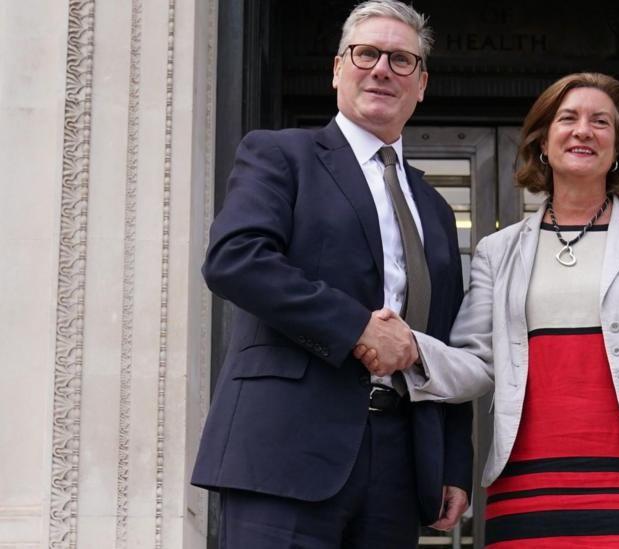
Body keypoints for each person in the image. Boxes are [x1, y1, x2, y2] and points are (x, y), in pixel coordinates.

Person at [357, 72, 619, 547]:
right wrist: (412, 351)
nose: (583, 131)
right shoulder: (497, 250)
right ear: (543, 143)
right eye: (567, 119)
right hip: (528, 482)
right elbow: (476, 361)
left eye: (601, 122)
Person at [190, 1, 472, 547]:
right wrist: (357, 328)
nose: (382, 69)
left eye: (401, 60)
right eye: (366, 53)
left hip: (398, 461)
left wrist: (453, 461)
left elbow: (447, 338)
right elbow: (235, 258)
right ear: (338, 68)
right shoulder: (279, 154)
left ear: (422, 85)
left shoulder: (435, 208)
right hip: (283, 449)